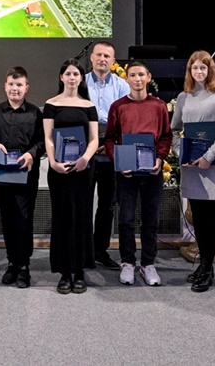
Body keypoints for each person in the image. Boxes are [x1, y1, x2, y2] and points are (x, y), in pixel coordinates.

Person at [170, 51, 215, 292]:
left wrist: (208, 156)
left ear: (210, 70)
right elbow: (175, 130)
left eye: (203, 68)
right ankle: (204, 264)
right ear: (190, 71)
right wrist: (180, 153)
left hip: (210, 166)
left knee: (209, 218)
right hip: (190, 167)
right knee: (197, 216)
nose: (199, 72)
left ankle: (207, 268)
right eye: (195, 68)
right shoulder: (183, 97)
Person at [104, 61, 172, 287]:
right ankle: (128, 263)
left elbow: (165, 136)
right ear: (127, 79)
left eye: (141, 74)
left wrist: (160, 158)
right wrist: (118, 160)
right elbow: (110, 139)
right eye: (133, 75)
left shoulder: (159, 106)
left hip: (152, 172)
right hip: (127, 174)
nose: (137, 79)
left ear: (148, 76)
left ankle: (148, 263)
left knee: (150, 220)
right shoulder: (118, 106)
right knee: (126, 219)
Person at [0, 66, 45, 288]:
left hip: (25, 176)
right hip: (2, 176)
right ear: (5, 86)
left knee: (24, 221)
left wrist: (31, 154)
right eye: (11, 84)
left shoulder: (34, 114)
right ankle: (12, 263)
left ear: (26, 88)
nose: (14, 88)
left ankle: (24, 266)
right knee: (7, 221)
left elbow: (42, 142)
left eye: (19, 85)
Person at [43, 59, 99, 294]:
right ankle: (65, 272)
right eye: (68, 73)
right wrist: (54, 162)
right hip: (59, 171)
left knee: (82, 218)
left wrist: (85, 158)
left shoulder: (88, 106)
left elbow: (95, 138)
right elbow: (48, 137)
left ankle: (80, 272)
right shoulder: (51, 104)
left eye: (76, 73)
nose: (72, 77)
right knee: (63, 218)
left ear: (81, 78)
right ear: (61, 77)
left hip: (83, 170)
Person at [86, 41, 129, 270]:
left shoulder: (122, 86)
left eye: (108, 56)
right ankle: (83, 251)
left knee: (107, 206)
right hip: (85, 152)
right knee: (82, 203)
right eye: (99, 55)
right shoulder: (80, 82)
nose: (103, 59)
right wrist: (92, 145)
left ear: (114, 61)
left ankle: (100, 251)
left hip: (111, 151)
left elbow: (127, 118)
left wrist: (109, 145)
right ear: (92, 58)